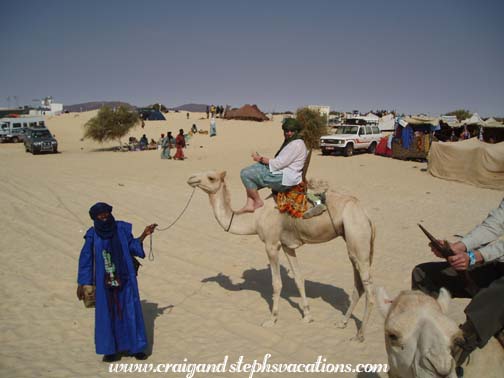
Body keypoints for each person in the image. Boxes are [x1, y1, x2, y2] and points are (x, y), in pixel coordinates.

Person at [412, 199, 504, 367]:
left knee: (489, 300)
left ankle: (457, 355)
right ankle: (428, 339)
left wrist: (475, 256)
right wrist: (459, 247)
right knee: (424, 275)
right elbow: (496, 223)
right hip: (498, 264)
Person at [77, 202, 157, 362]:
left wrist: (144, 235)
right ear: (95, 218)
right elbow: (86, 259)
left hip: (125, 279)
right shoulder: (93, 235)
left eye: (106, 214)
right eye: (101, 215)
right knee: (107, 315)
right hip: (104, 282)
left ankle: (137, 348)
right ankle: (111, 350)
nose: (105, 217)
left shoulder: (121, 229)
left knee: (131, 311)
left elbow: (132, 247)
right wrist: (83, 283)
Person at [238, 118, 307, 213]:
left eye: (292, 131)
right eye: (287, 131)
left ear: (296, 131)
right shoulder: (294, 142)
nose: (289, 133)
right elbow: (281, 161)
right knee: (255, 168)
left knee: (245, 174)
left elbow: (278, 164)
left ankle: (258, 201)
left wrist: (260, 158)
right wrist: (261, 160)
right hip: (284, 171)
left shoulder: (295, 144)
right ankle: (249, 203)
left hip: (286, 178)